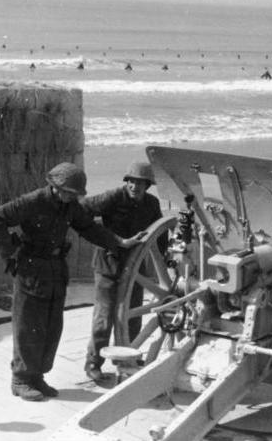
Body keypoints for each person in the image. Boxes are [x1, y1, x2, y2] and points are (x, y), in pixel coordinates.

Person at [0, 162, 143, 401]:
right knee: (28, 326)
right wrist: (9, 252)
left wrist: (118, 242)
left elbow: (88, 227)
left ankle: (37, 377)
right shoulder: (33, 201)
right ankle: (20, 379)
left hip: (56, 270)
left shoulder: (69, 205)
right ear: (54, 186)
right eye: (68, 192)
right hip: (31, 270)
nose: (71, 197)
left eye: (74, 194)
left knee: (51, 327)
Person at [80, 161, 165, 382]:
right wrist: (110, 239)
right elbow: (82, 211)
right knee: (103, 318)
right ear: (126, 182)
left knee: (132, 315)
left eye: (140, 183)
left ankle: (128, 358)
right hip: (108, 264)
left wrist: (164, 263)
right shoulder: (112, 197)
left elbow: (160, 234)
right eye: (132, 181)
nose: (135, 186)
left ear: (147, 185)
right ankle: (93, 364)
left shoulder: (152, 204)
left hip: (135, 267)